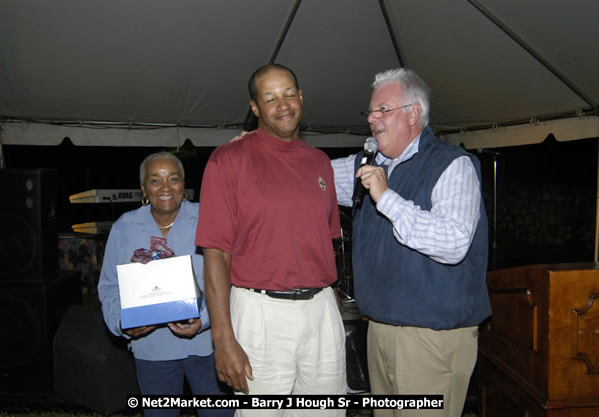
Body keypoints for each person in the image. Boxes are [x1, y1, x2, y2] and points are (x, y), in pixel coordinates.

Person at [331, 68, 491, 417]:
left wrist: (387, 198)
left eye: (383, 110)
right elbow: (310, 178)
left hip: (431, 338)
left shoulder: (452, 164)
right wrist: (262, 150)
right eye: (370, 111)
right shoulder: (368, 165)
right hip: (379, 330)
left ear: (413, 113)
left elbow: (454, 242)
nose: (371, 119)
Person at [195, 63, 347, 416]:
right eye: (270, 98)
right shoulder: (228, 160)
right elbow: (215, 254)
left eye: (289, 94)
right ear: (255, 107)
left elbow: (327, 242)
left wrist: (331, 303)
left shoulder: (320, 163)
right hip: (261, 314)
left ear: (301, 97)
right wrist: (223, 339)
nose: (283, 104)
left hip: (321, 311)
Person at [98, 151, 233, 417]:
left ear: (184, 184)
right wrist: (121, 323)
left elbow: (230, 277)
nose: (166, 188)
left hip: (207, 345)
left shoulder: (209, 219)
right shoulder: (124, 227)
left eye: (173, 178)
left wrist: (205, 319)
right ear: (143, 189)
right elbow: (109, 286)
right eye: (155, 180)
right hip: (152, 349)